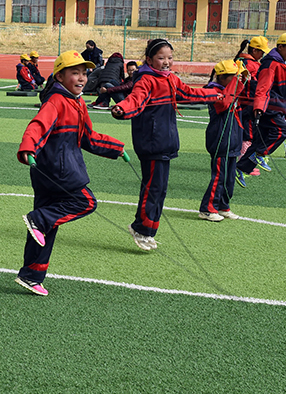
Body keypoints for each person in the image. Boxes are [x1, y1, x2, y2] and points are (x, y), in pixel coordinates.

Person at [15, 50, 125, 296]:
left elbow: (88, 138)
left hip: (47, 171)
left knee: (45, 226)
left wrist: (115, 148)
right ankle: (38, 220)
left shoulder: (77, 102)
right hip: (59, 171)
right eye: (75, 73)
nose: (82, 78)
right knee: (85, 202)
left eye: (84, 73)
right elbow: (37, 126)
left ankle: (31, 275)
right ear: (60, 77)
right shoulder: (56, 101)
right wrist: (28, 147)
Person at [111, 39, 222, 251]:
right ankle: (142, 229)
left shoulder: (170, 78)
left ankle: (147, 230)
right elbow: (135, 100)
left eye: (170, 58)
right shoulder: (146, 80)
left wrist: (215, 94)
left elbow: (189, 93)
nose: (166, 62)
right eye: (161, 58)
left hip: (165, 142)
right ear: (149, 59)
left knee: (159, 189)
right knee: (153, 188)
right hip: (152, 143)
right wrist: (122, 109)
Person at [236, 33, 286, 180]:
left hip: (276, 106)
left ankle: (240, 168)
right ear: (281, 47)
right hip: (268, 107)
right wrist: (259, 107)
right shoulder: (271, 64)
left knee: (260, 139)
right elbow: (263, 88)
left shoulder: (284, 63)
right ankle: (260, 154)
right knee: (282, 130)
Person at [199, 60, 248, 222]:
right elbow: (224, 104)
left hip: (233, 140)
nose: (236, 80)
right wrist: (236, 84)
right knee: (219, 177)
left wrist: (243, 80)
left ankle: (223, 206)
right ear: (221, 77)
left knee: (229, 178)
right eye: (233, 77)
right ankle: (207, 209)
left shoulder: (232, 90)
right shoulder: (213, 91)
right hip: (220, 140)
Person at [234, 36, 270, 178]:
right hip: (248, 104)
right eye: (261, 52)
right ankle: (244, 163)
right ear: (254, 50)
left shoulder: (240, 61)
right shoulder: (252, 65)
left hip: (239, 103)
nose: (263, 55)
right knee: (249, 134)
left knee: (243, 133)